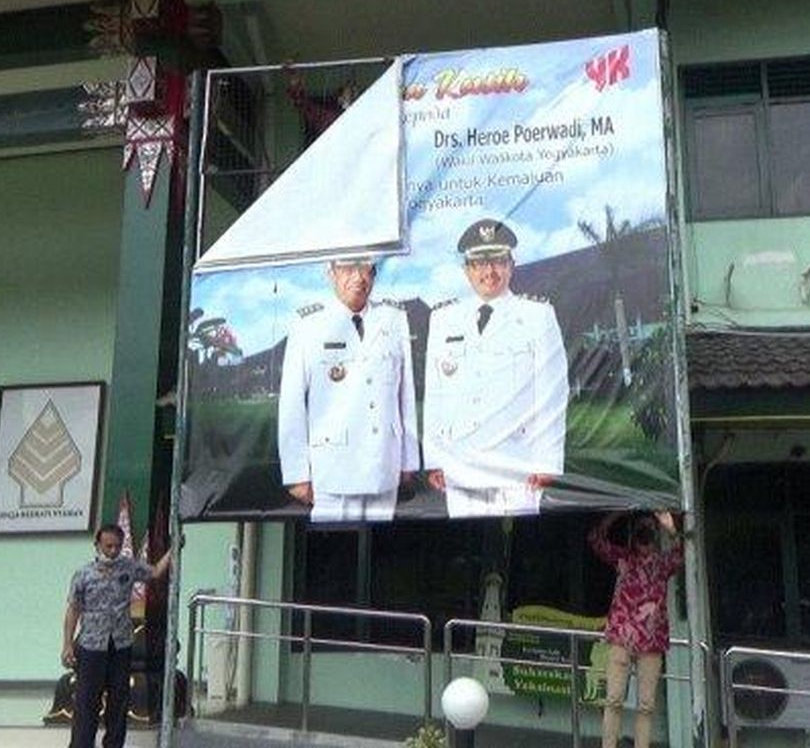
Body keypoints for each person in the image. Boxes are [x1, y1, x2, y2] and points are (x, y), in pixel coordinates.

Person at [423, 218, 569, 517]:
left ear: (511, 265)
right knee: (467, 546)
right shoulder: (443, 319)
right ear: (467, 270)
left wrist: (548, 461)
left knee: (516, 546)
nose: (489, 272)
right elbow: (436, 393)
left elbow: (553, 392)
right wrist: (434, 458)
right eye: (479, 264)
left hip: (517, 462)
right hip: (460, 462)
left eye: (498, 262)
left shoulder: (537, 316)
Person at [277, 257, 420, 522]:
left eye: (366, 268)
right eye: (348, 268)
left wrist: (408, 461)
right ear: (330, 273)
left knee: (382, 547)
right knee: (333, 550)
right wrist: (297, 474)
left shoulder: (394, 319)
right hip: (333, 468)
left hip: (384, 462)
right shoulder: (309, 324)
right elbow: (292, 403)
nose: (359, 277)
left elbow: (405, 395)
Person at [62, 524, 171, 748]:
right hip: (91, 645)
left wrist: (174, 549)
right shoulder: (83, 574)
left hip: (120, 645)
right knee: (86, 702)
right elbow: (73, 609)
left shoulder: (128, 567)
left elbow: (156, 572)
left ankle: (113, 744)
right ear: (98, 545)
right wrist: (67, 645)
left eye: (117, 546)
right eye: (108, 546)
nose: (112, 551)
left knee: (118, 701)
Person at [589, 510, 684, 748]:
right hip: (622, 637)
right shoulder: (623, 558)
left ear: (655, 536)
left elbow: (684, 553)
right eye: (641, 532)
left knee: (646, 705)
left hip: (651, 642)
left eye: (649, 532)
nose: (645, 538)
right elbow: (596, 540)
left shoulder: (663, 563)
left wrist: (671, 530)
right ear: (633, 535)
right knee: (613, 699)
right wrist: (615, 515)